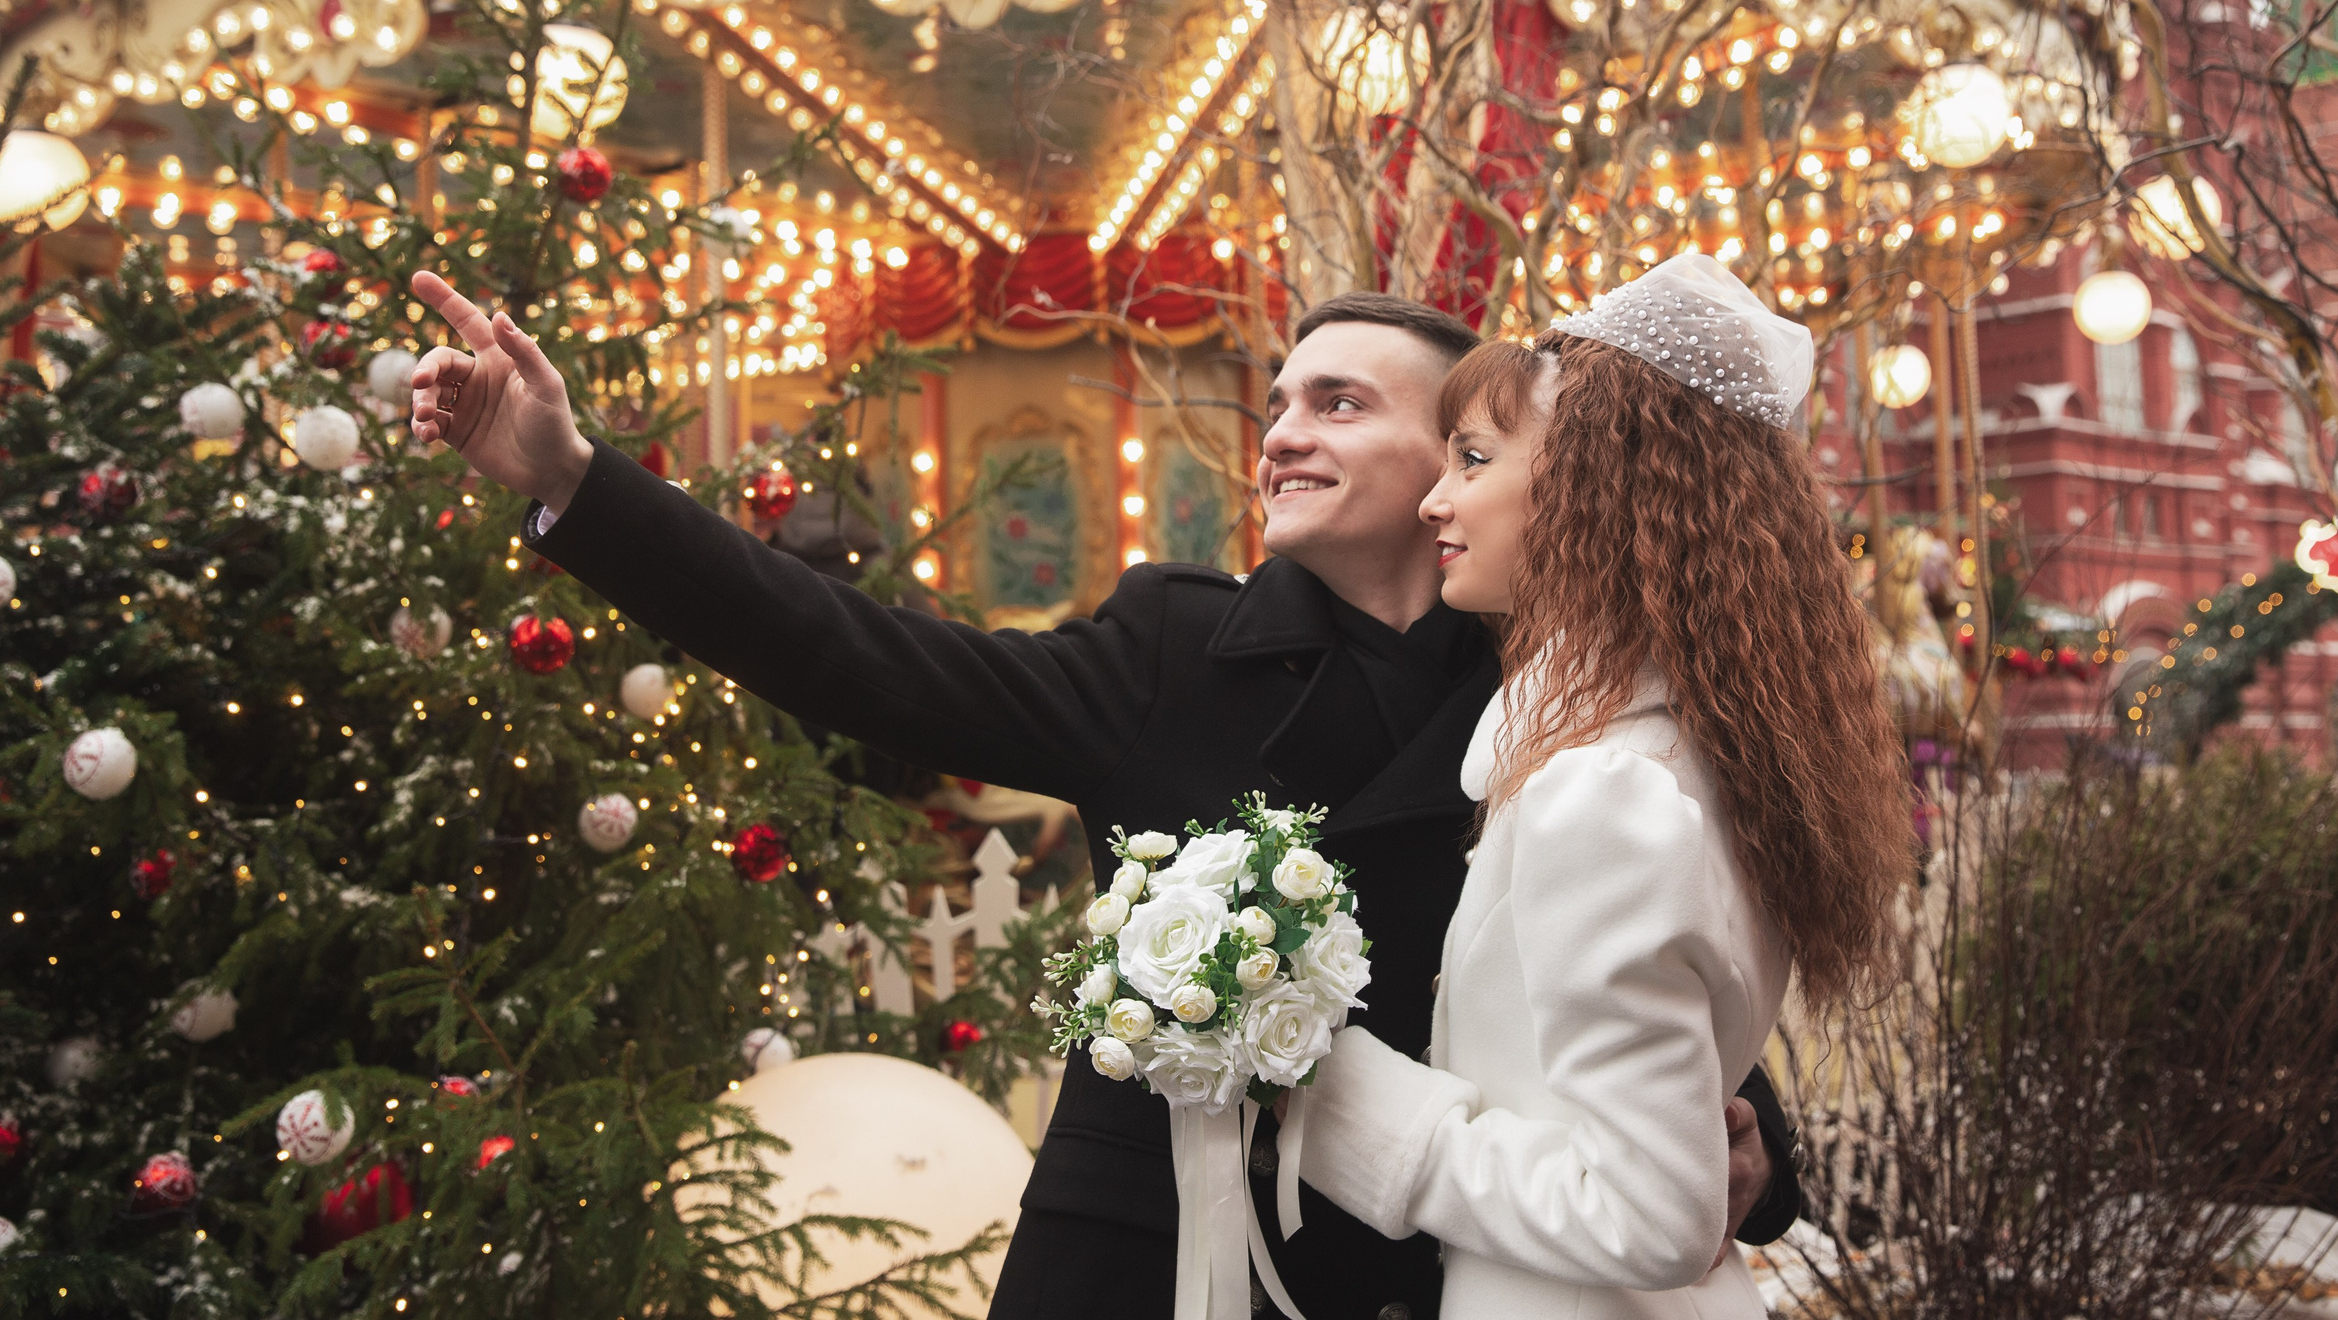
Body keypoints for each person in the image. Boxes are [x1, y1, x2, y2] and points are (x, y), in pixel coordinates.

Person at [402, 268, 1804, 1320]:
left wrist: (1746, 1142)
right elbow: (863, 658)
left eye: (1340, 401)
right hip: (1145, 1255)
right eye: (1277, 404)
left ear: (1465, 456)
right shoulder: (1169, 647)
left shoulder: (1545, 697)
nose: (1283, 435)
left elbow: (1630, 968)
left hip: (1410, 1264)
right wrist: (578, 483)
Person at [1293, 255, 1913, 1320]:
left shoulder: (1602, 795)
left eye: (1475, 459)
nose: (1438, 499)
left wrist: (1338, 1099)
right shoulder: (1693, 751)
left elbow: (1649, 1216)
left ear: (1588, 489)